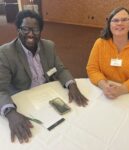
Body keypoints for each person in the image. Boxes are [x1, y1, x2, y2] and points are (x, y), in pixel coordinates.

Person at [0, 10, 88, 143]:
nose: (30, 34)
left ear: (40, 31)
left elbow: (60, 69)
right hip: (23, 98)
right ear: (18, 30)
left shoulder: (48, 46)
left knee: (69, 124)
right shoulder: (6, 53)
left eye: (35, 29)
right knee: (35, 137)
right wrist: (10, 113)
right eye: (25, 29)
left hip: (47, 93)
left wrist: (72, 85)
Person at [86, 7, 129, 99]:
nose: (120, 23)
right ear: (109, 24)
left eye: (124, 20)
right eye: (115, 20)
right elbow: (92, 69)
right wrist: (104, 86)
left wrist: (122, 89)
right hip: (105, 90)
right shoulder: (100, 43)